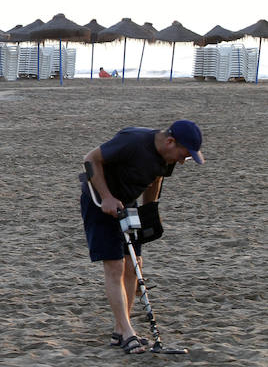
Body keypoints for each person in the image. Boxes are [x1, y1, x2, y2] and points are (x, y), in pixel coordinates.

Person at [80, 120, 204, 354]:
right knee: (115, 265)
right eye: (184, 154)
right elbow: (90, 158)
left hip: (128, 204)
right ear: (170, 142)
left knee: (133, 265)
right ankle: (128, 332)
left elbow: (156, 178)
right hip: (99, 201)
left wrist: (150, 211)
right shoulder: (133, 141)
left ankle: (121, 330)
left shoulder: (166, 156)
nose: (181, 160)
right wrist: (106, 197)